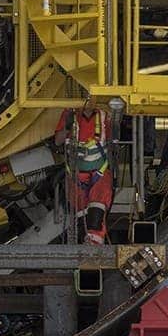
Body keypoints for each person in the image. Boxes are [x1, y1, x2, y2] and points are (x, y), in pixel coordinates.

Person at [56, 102, 113, 245]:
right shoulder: (70, 113)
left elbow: (113, 139)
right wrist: (67, 127)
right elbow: (58, 141)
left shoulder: (103, 114)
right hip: (76, 175)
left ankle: (95, 245)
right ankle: (85, 245)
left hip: (98, 172)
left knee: (97, 211)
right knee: (81, 215)